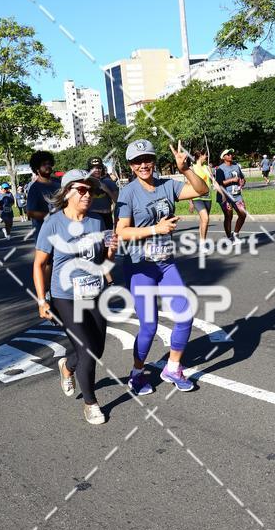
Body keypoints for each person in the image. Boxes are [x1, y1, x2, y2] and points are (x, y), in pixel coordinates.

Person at [115, 138, 209, 395]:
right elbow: (121, 232)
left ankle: (173, 367)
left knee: (185, 314)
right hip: (139, 266)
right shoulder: (128, 193)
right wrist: (156, 228)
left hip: (165, 263)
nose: (143, 164)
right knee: (149, 325)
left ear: (154, 161)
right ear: (131, 166)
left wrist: (186, 170)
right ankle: (136, 373)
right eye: (137, 161)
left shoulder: (167, 185)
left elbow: (201, 190)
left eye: (147, 159)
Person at [34, 169, 117, 425]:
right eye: (81, 190)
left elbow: (104, 259)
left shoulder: (97, 221)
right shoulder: (53, 223)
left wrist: (111, 255)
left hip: (94, 292)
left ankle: (67, 366)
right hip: (65, 296)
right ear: (67, 192)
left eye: (90, 190)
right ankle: (91, 403)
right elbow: (39, 264)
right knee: (88, 351)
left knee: (97, 349)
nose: (87, 195)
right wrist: (41, 300)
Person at [26, 150, 61, 240]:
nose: (48, 166)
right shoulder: (34, 188)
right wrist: (52, 216)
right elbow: (30, 213)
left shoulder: (59, 182)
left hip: (62, 229)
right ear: (37, 168)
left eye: (49, 163)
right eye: (44, 164)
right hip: (43, 232)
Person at [215, 149, 247, 242]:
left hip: (237, 195)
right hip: (225, 196)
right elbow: (219, 183)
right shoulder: (220, 169)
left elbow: (242, 178)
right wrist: (232, 180)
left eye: (231, 154)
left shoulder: (236, 166)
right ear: (223, 157)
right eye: (227, 154)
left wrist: (242, 182)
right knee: (229, 216)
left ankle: (236, 234)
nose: (230, 155)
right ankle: (229, 237)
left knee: (243, 214)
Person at [187, 149, 213, 241]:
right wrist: (190, 202)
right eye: (206, 155)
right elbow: (189, 185)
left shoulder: (207, 167)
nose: (207, 157)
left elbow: (212, 180)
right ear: (201, 156)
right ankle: (203, 242)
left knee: (203, 221)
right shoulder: (192, 168)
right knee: (205, 218)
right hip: (197, 198)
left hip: (208, 197)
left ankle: (202, 239)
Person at [87, 157, 119, 231]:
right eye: (93, 168)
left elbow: (117, 201)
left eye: (99, 168)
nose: (97, 170)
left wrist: (107, 189)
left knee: (108, 240)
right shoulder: (86, 183)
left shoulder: (108, 182)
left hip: (106, 216)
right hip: (91, 216)